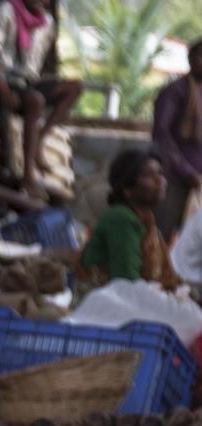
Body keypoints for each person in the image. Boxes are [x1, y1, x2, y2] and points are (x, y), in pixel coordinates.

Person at [0, 0, 81, 203]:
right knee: (35, 101)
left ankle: (40, 137)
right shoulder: (6, 10)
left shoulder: (46, 22)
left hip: (26, 82)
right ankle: (28, 175)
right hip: (4, 80)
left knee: (74, 87)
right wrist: (3, 89)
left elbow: (34, 67)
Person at [79, 148, 183, 291]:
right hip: (108, 307)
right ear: (127, 188)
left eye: (160, 173)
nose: (160, 180)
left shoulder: (146, 221)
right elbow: (126, 282)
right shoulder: (121, 219)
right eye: (149, 175)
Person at [153, 38, 202, 237]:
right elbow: (161, 132)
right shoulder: (176, 91)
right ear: (191, 59)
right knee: (159, 237)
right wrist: (184, 170)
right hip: (175, 179)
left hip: (199, 183)